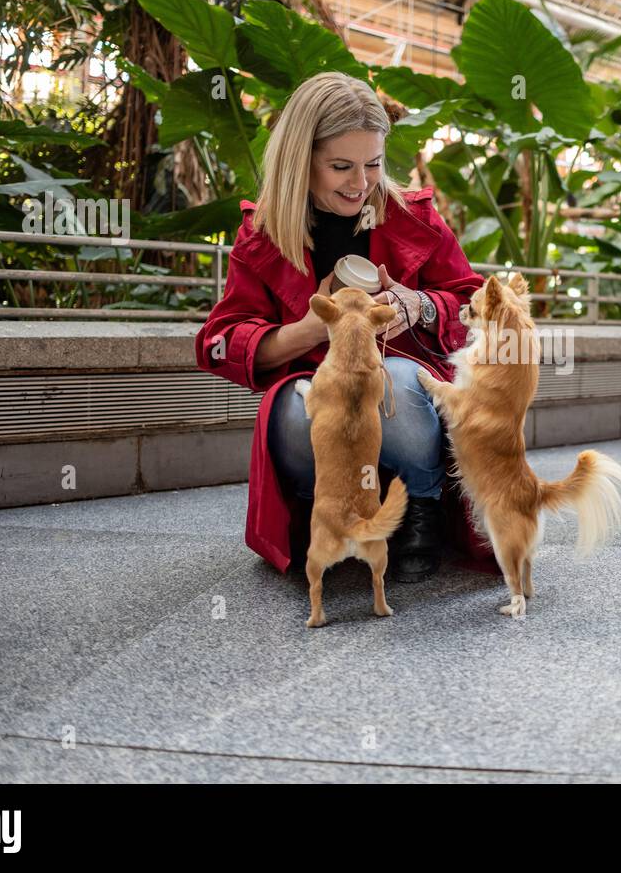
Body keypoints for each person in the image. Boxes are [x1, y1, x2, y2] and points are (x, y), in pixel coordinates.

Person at [195, 71, 487, 582]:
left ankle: (422, 506)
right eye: (340, 167)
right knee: (294, 405)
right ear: (299, 161)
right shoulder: (260, 235)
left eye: (373, 164)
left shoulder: (414, 219)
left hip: (404, 400)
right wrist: (310, 328)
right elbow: (220, 341)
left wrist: (417, 305)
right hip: (318, 399)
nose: (360, 183)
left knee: (396, 380)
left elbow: (474, 304)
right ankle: (321, 510)